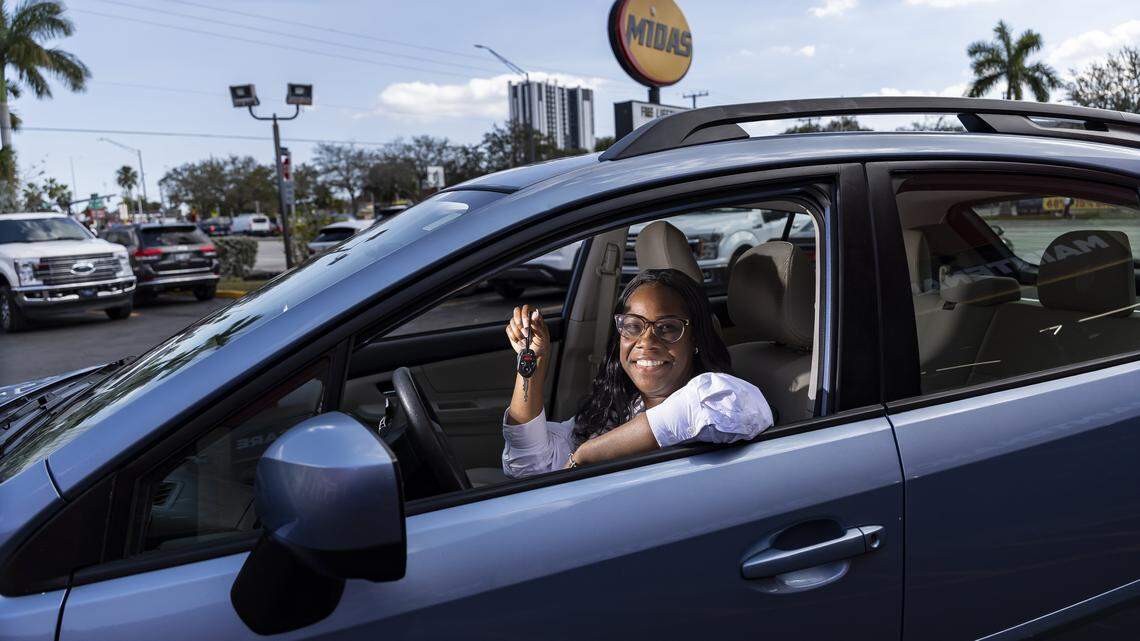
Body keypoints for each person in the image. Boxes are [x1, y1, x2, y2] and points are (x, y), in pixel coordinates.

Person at [501, 268, 774, 478]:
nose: (646, 341)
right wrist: (532, 364)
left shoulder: (721, 398)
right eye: (633, 326)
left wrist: (588, 454)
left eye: (667, 327)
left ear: (696, 340)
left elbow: (722, 402)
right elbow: (530, 467)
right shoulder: (617, 410)